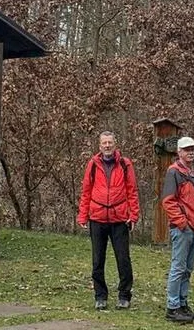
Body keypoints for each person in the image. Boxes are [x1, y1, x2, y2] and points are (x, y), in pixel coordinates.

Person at [77, 131, 140, 310]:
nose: (107, 146)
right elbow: (86, 191)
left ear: (115, 144)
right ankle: (100, 296)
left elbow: (132, 191)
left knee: (123, 259)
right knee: (97, 260)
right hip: (97, 218)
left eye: (110, 142)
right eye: (104, 143)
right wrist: (83, 215)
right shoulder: (93, 165)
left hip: (119, 219)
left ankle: (124, 295)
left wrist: (133, 215)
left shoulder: (125, 164)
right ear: (99, 145)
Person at [161, 136, 194, 324]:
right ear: (179, 152)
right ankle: (173, 307)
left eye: (192, 149)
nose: (190, 152)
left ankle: (183, 303)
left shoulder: (193, 174)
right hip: (183, 228)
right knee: (178, 268)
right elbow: (168, 201)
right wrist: (182, 223)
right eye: (186, 149)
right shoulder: (174, 172)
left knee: (187, 269)